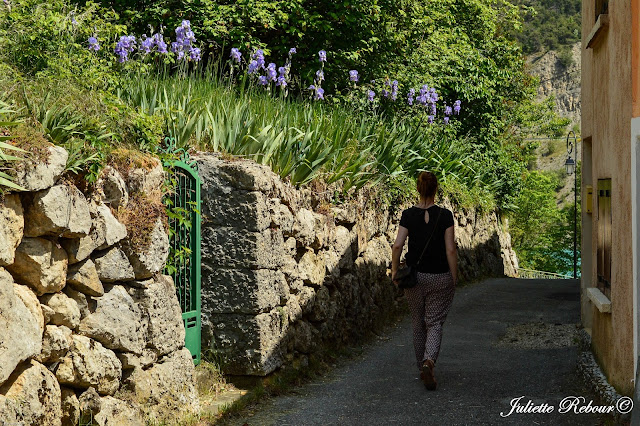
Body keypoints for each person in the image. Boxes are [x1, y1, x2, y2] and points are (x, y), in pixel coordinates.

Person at [391, 171, 457, 391]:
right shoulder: (446, 215)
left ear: (418, 189)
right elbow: (450, 249)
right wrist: (453, 276)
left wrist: (394, 271)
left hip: (415, 278)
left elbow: (397, 246)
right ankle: (429, 361)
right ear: (436, 189)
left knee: (418, 323)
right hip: (439, 277)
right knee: (434, 323)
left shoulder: (408, 215)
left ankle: (422, 367)